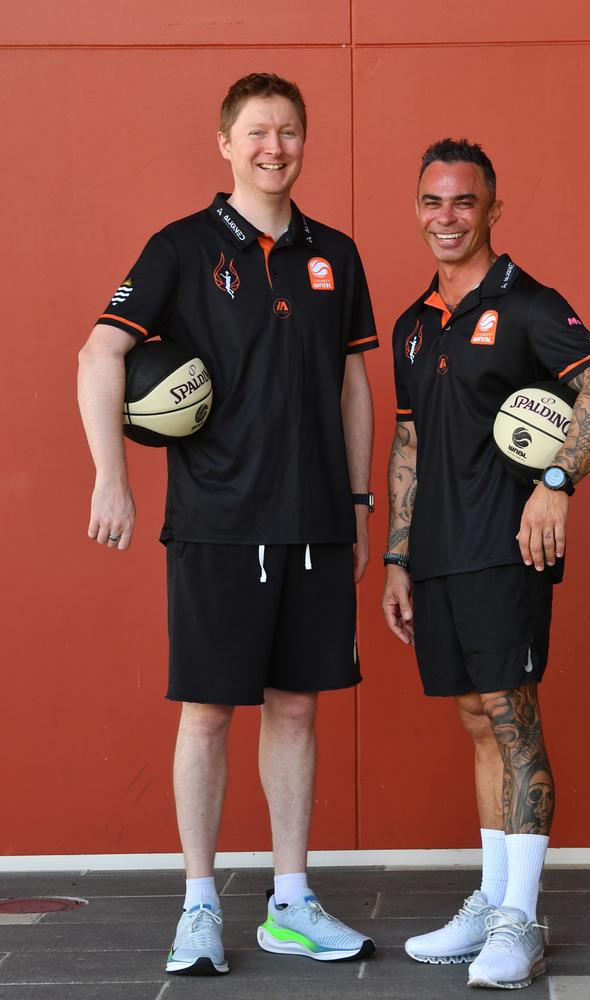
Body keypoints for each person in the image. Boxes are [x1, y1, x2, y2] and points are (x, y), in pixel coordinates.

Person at [78, 73, 378, 976]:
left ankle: (291, 900)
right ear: (225, 143)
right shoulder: (180, 247)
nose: (273, 147)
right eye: (257, 132)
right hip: (217, 522)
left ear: (303, 142)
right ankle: (200, 905)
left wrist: (360, 506)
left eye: (289, 131)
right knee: (208, 713)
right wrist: (111, 475)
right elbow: (100, 351)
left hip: (319, 520)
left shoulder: (338, 252)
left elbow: (353, 385)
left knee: (296, 706)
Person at [382, 138, 590, 990]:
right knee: (477, 723)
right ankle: (493, 903)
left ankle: (522, 922)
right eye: (432, 201)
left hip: (507, 550)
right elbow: (409, 439)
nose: (446, 217)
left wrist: (556, 482)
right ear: (417, 207)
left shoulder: (529, 304)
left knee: (512, 719)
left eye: (463, 202)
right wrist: (397, 557)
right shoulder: (414, 325)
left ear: (493, 207)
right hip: (440, 558)